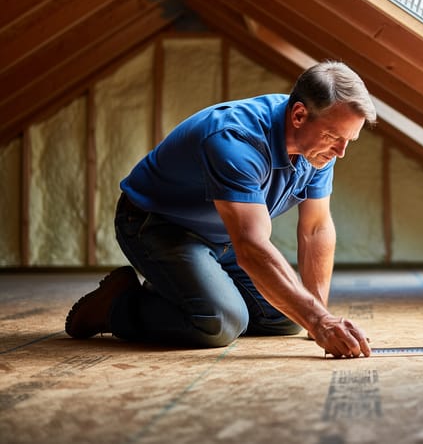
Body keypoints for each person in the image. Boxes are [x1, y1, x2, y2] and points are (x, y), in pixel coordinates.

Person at [65, 60, 375, 358]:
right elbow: (251, 246)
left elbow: (316, 227)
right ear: (298, 115)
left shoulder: (318, 149)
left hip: (221, 234)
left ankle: (183, 291)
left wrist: (318, 316)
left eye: (349, 140)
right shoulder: (236, 139)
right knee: (220, 323)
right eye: (334, 137)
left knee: (288, 317)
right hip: (156, 224)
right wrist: (320, 322)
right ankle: (115, 306)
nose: (341, 152)